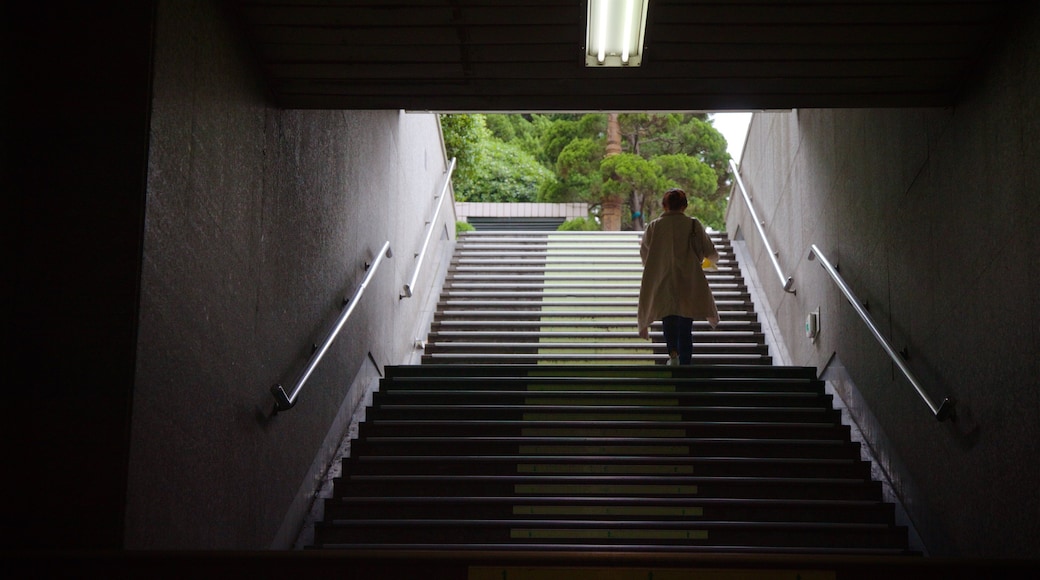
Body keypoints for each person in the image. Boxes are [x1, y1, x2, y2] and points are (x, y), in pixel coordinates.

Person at [637, 188, 720, 365]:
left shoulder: (654, 226)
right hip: (688, 278)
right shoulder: (693, 224)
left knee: (668, 316)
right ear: (685, 205)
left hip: (663, 278)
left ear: (664, 205)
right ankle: (685, 363)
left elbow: (645, 254)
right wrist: (710, 262)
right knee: (685, 321)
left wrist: (654, 266)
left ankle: (673, 354)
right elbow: (710, 251)